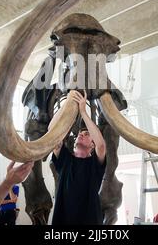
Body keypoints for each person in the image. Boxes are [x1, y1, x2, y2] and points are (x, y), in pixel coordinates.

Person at [51, 90, 106, 225]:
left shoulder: (95, 164)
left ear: (92, 146)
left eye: (87, 134)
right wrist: (67, 102)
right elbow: (51, 130)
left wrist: (83, 112)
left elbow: (101, 146)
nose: (81, 134)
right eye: (80, 134)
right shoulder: (65, 159)